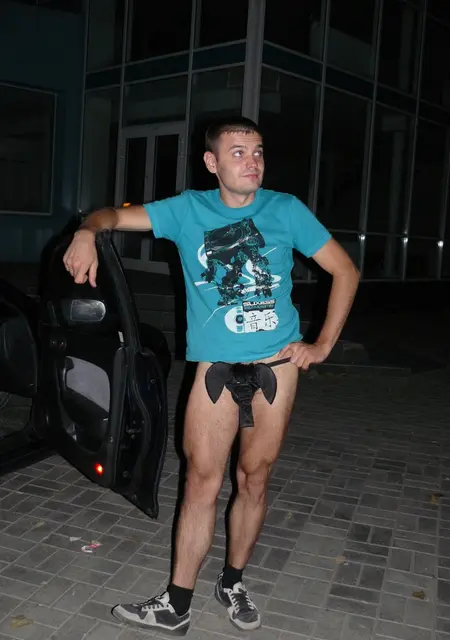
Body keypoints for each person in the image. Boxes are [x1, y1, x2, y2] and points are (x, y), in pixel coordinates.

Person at [63, 116, 359, 634]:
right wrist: (87, 231)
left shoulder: (286, 209)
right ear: (212, 162)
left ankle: (233, 582)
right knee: (201, 482)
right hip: (214, 371)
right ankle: (177, 604)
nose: (252, 161)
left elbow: (345, 270)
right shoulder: (187, 210)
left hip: (276, 368)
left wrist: (322, 345)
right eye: (238, 152)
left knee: (254, 478)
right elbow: (112, 215)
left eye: (258, 151)